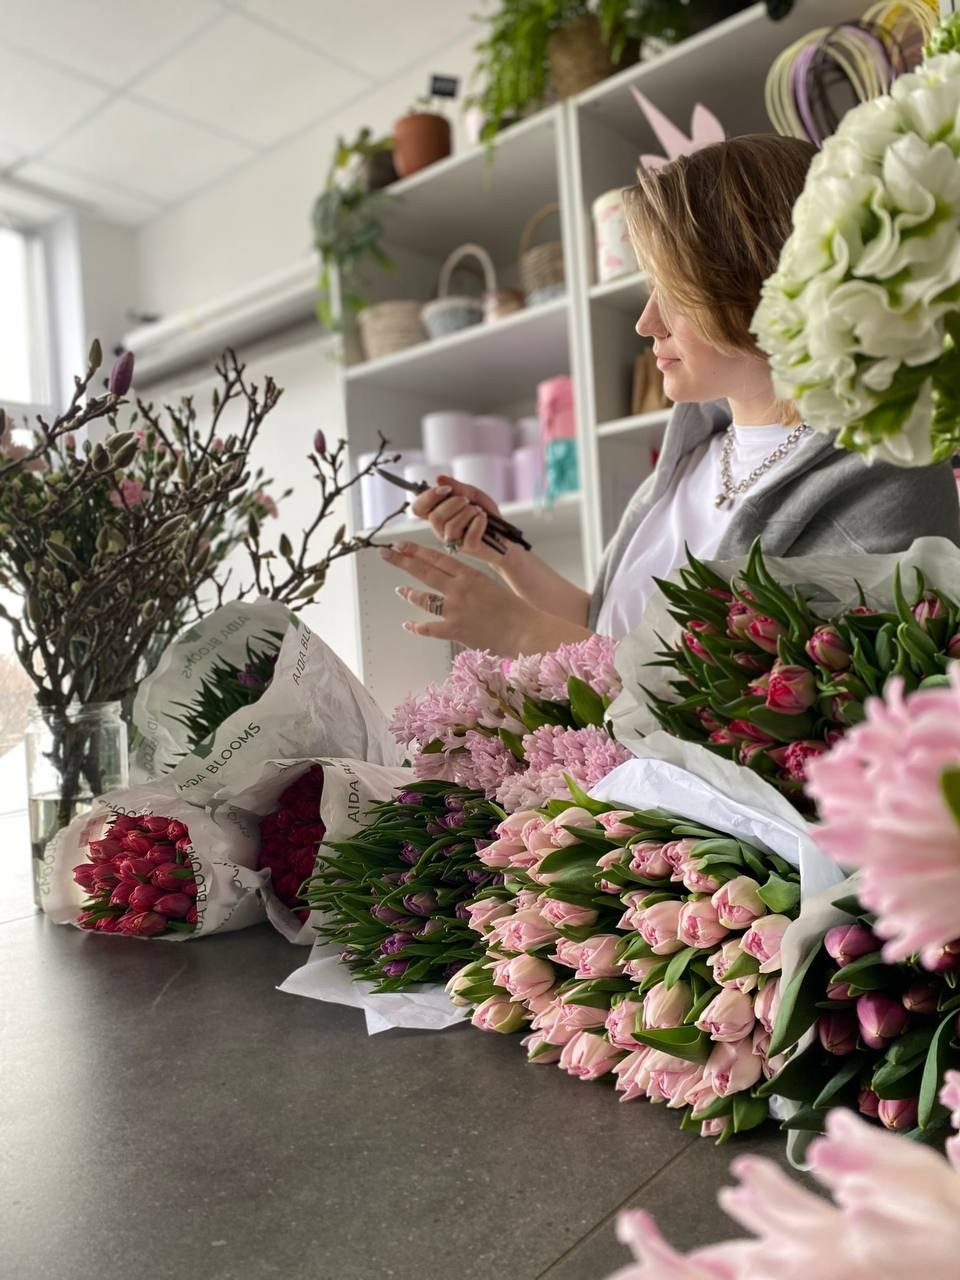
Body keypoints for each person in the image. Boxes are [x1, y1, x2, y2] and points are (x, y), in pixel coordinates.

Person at [380, 134, 960, 653]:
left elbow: (759, 727)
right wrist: (502, 552)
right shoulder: (695, 455)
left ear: (759, 284)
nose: (646, 322)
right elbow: (604, 627)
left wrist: (520, 631)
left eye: (674, 292)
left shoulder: (883, 472)